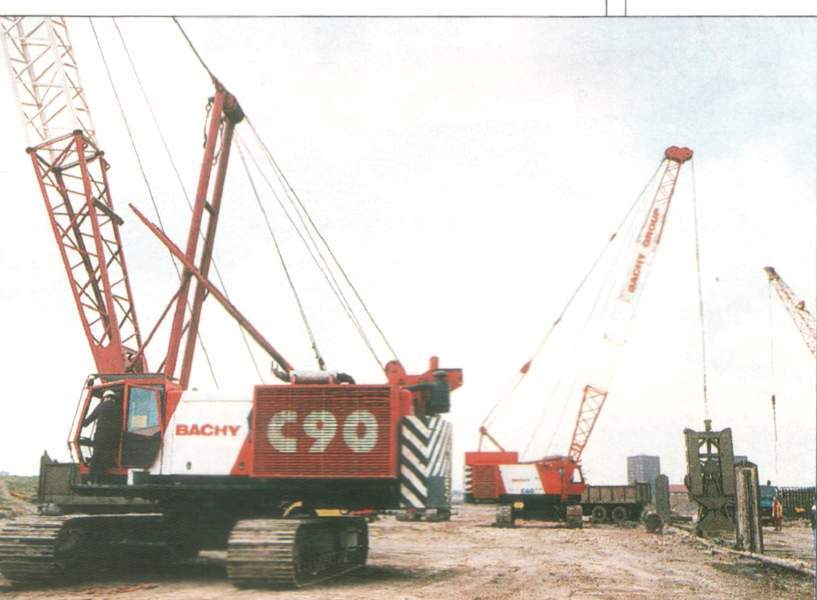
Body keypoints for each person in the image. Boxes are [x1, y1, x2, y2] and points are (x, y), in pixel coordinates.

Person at [82, 389, 123, 483]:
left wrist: (83, 422)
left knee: (96, 457)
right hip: (113, 438)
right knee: (106, 458)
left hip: (100, 436)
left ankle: (90, 480)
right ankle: (101, 479)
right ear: (113, 398)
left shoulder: (101, 406)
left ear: (105, 397)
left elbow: (88, 421)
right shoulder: (118, 408)